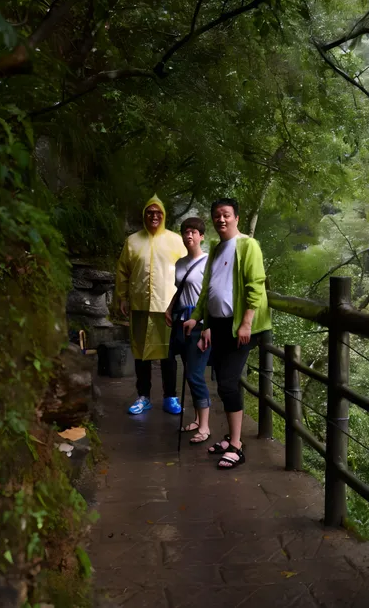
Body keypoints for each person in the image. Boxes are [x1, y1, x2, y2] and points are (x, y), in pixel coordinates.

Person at [184, 198, 271, 470]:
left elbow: (255, 285)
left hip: (240, 327)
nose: (221, 220)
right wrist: (196, 317)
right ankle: (232, 439)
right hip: (219, 325)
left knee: (228, 383)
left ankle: (236, 447)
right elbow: (207, 289)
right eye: (217, 216)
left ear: (236, 218)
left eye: (226, 215)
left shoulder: (247, 245)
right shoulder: (217, 248)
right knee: (223, 380)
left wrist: (246, 323)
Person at [116, 194, 186, 415]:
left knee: (168, 353)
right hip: (140, 305)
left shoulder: (176, 240)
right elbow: (122, 272)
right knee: (140, 353)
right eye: (150, 212)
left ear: (163, 216)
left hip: (167, 305)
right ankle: (143, 396)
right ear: (144, 215)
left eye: (158, 213)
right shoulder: (133, 241)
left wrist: (185, 301)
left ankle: (170, 397)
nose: (154, 216)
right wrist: (123, 297)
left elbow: (187, 271)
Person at [165, 217, 211, 444]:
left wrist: (208, 327)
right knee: (188, 372)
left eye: (193, 232)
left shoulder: (208, 263)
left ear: (202, 236)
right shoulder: (180, 263)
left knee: (194, 374)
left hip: (200, 324)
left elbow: (211, 297)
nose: (188, 236)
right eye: (185, 232)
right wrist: (169, 308)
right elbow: (180, 289)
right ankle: (195, 419)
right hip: (181, 321)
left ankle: (205, 426)